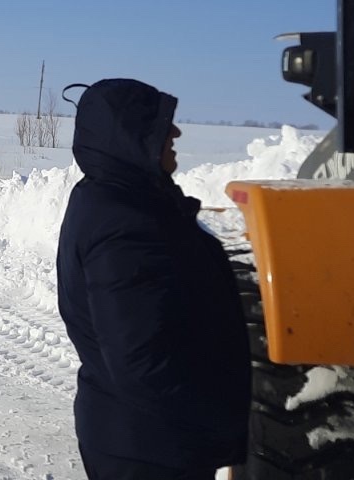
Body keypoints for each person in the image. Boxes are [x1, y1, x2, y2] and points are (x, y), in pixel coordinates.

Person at [55, 79, 250, 479]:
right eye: (161, 124)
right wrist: (212, 418)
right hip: (151, 450)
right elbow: (140, 361)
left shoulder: (114, 199)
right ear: (130, 136)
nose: (175, 133)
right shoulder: (124, 222)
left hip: (141, 438)